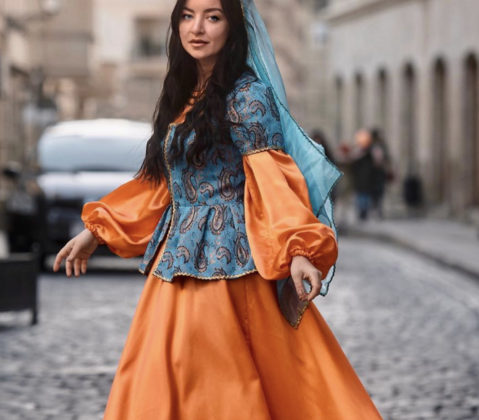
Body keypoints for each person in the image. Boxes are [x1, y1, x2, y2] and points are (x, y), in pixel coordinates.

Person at [53, 0, 384, 418]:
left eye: (213, 16)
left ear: (233, 27)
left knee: (218, 381)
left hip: (232, 267)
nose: (198, 28)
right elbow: (162, 184)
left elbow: (272, 180)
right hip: (175, 266)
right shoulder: (183, 93)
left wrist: (299, 250)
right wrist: (96, 231)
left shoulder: (247, 96)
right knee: (163, 372)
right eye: (188, 16)